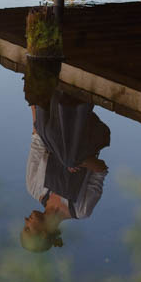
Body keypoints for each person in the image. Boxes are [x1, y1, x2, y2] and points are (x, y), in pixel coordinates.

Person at [20, 89, 111, 253]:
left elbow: (37, 141)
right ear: (42, 235)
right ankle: (68, 99)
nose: (26, 220)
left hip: (52, 128)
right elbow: (101, 170)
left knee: (46, 127)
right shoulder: (81, 209)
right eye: (28, 228)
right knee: (69, 158)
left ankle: (47, 87)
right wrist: (80, 162)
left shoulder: (33, 187)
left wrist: (33, 102)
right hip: (85, 133)